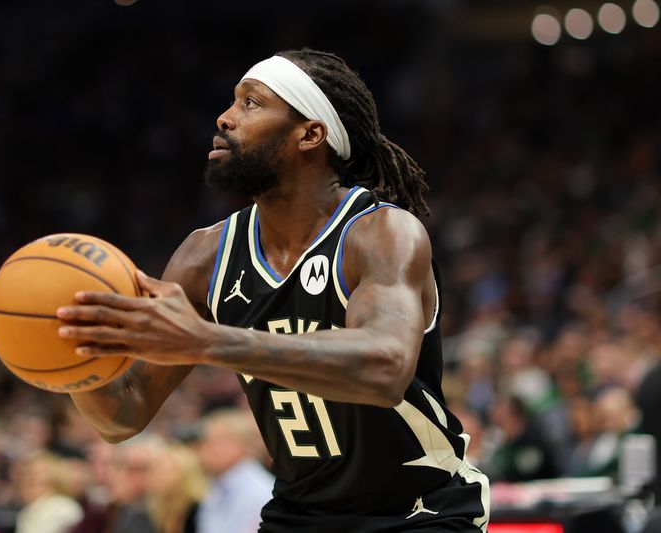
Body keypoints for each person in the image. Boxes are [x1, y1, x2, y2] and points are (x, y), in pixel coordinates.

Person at [60, 48, 490, 531]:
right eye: (232, 102)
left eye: (251, 104)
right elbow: (125, 412)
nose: (224, 118)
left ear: (310, 134)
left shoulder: (381, 234)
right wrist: (74, 362)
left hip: (418, 511)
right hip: (298, 515)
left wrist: (207, 341)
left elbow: (384, 367)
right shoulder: (206, 256)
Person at [195, 409, 274, 533]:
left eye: (220, 441)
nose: (209, 448)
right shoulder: (216, 485)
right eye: (206, 441)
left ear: (243, 443)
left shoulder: (260, 491)